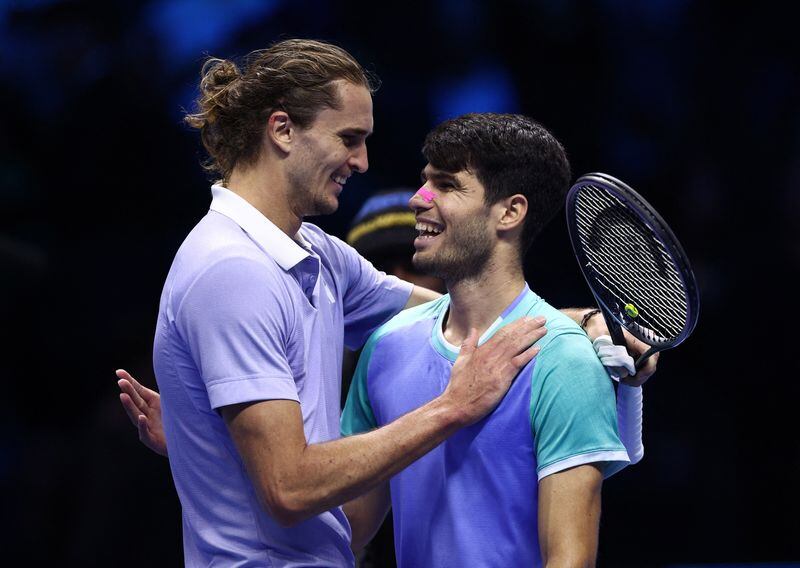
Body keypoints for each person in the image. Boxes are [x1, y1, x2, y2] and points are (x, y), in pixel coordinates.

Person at [122, 38, 550, 567]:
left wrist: (583, 326)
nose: (363, 162)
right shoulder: (232, 271)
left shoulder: (316, 251)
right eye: (349, 139)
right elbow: (288, 489)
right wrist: (452, 407)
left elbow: (464, 317)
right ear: (282, 130)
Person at [339, 112, 652, 567]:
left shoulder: (564, 359)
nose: (417, 199)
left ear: (510, 212)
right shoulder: (385, 345)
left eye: (446, 185)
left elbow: (569, 559)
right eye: (425, 181)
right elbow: (350, 529)